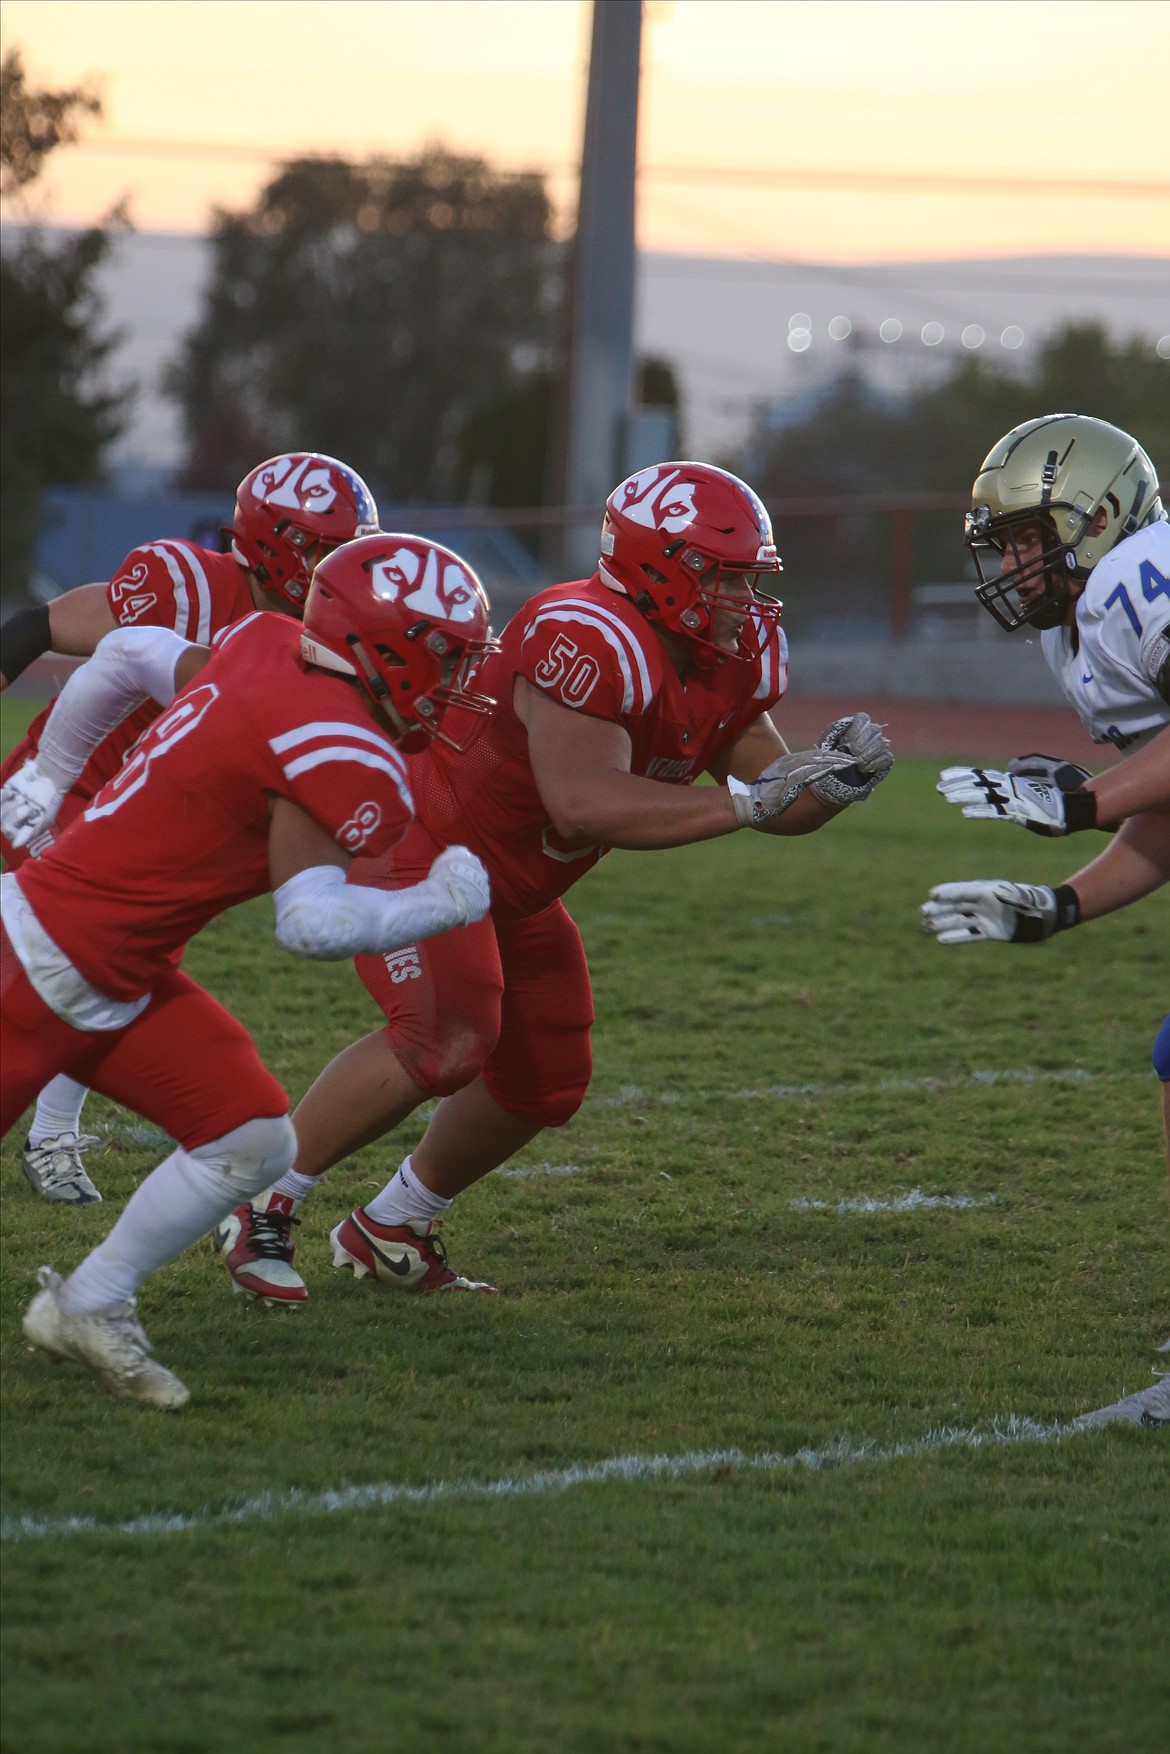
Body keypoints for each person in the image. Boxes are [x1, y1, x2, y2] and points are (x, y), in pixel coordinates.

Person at [211, 460, 895, 1307]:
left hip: (511, 886)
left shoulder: (726, 656)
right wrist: (755, 801)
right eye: (726, 576)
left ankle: (394, 1222)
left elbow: (772, 789)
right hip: (424, 845)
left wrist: (831, 781)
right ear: (662, 569)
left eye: (751, 576)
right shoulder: (585, 632)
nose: (743, 597)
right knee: (444, 1035)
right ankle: (262, 1203)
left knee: (548, 1080)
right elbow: (583, 804)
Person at [0, 533, 497, 1407]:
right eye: (447, 655)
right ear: (384, 647)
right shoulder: (347, 750)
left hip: (117, 974)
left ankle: (90, 1301)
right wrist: (442, 902)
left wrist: (44, 779)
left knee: (252, 1137)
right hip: (36, 964)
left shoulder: (266, 640)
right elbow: (309, 923)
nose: (459, 680)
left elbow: (130, 651)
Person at [0, 451, 379, 1205]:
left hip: (163, 815)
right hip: (73, 793)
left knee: (122, 963)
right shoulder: (191, 585)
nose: (351, 571)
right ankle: (47, 1135)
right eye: (331, 552)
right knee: (78, 957)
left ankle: (49, 1135)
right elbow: (36, 626)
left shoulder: (326, 635)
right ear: (276, 544)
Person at [920, 411, 1169, 1428]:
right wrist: (1063, 902)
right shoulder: (1079, 628)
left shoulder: (1133, 580)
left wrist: (1080, 797)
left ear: (1100, 516)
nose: (1015, 561)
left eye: (1030, 535)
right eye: (1007, 541)